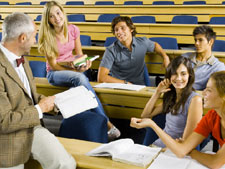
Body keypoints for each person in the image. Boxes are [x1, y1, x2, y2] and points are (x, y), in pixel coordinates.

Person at [0, 12, 76, 169]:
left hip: (32, 126)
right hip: (6, 138)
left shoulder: (22, 58)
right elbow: (4, 122)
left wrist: (52, 102)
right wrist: (40, 109)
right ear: (22, 38)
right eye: (34, 36)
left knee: (66, 164)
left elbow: (28, 96)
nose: (35, 41)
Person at [38, 1, 120, 140]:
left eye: (58, 13)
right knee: (80, 79)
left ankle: (89, 132)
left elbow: (79, 55)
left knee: (79, 87)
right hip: (54, 73)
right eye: (51, 16)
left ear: (63, 13)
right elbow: (53, 65)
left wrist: (83, 64)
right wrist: (76, 72)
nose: (56, 18)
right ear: (48, 20)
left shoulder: (73, 29)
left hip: (72, 69)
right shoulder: (48, 36)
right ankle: (107, 123)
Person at [131, 71, 225, 169]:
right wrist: (152, 124)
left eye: (209, 90)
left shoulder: (195, 101)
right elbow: (181, 151)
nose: (203, 92)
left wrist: (191, 152)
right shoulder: (212, 116)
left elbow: (215, 163)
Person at [135, 55, 203, 147]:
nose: (178, 78)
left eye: (183, 74)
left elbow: (186, 143)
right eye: (174, 73)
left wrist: (160, 151)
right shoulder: (172, 97)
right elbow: (145, 115)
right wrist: (157, 93)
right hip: (159, 145)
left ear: (189, 76)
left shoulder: (195, 100)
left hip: (174, 151)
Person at [97, 16, 170, 85]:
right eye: (116, 30)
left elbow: (155, 45)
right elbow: (101, 78)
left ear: (131, 29)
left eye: (123, 28)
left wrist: (165, 56)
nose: (119, 32)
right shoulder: (111, 50)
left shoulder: (142, 42)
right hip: (119, 87)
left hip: (139, 87)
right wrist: (125, 83)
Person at [182, 25, 225, 91]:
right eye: (195, 40)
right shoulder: (184, 57)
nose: (196, 43)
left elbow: (215, 91)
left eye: (200, 40)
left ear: (211, 42)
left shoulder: (218, 67)